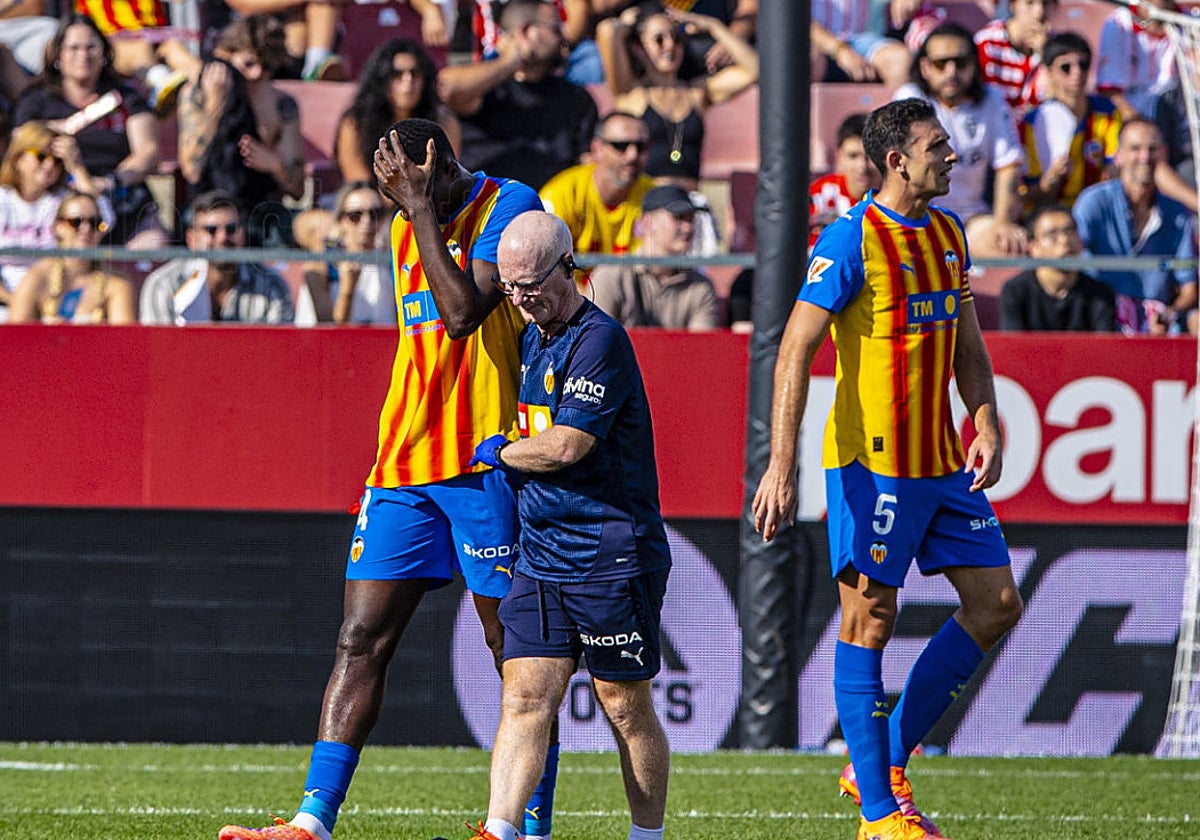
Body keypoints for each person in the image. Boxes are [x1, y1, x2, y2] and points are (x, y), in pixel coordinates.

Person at [216, 118, 560, 840]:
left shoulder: (510, 205)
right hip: (404, 463)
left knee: (515, 656)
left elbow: (464, 314)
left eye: (396, 172)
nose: (386, 186)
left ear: (431, 163)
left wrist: (422, 208)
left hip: (486, 460)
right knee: (359, 639)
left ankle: (527, 827)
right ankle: (313, 820)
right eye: (381, 175)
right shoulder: (408, 222)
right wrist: (416, 210)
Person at [752, 98, 1023, 840]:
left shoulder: (948, 232)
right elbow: (794, 350)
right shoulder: (849, 242)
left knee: (998, 602)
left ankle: (880, 757)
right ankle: (879, 814)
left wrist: (987, 420)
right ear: (897, 160)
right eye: (938, 147)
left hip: (940, 460)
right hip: (871, 468)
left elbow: (966, 341)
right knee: (870, 617)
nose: (953, 156)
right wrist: (781, 466)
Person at [467, 209, 671, 840]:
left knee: (623, 706)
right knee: (524, 697)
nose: (524, 301)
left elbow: (564, 447)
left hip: (610, 553)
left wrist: (496, 451)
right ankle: (499, 832)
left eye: (534, 285)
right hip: (541, 554)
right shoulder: (531, 333)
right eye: (511, 288)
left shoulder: (599, 339)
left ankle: (647, 835)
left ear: (569, 268)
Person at [13, 14, 169, 250]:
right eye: (74, 48)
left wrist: (109, 182)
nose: (83, 56)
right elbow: (20, 148)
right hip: (55, 205)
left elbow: (148, 152)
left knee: (153, 246)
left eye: (91, 47)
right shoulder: (36, 100)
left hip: (121, 199)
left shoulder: (125, 97)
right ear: (58, 55)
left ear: (105, 54)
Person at [894, 22, 1028, 259]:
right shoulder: (909, 100)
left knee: (1013, 249)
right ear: (925, 67)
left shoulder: (992, 100)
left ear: (975, 65)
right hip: (918, 217)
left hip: (971, 220)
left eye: (961, 62)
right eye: (940, 63)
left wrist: (1003, 223)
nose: (951, 72)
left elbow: (1008, 166)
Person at [596, 1, 758, 190]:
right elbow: (606, 30)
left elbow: (754, 70)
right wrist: (628, 22)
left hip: (691, 202)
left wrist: (715, 26)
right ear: (638, 48)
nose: (670, 46)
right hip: (647, 204)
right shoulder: (631, 93)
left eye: (675, 38)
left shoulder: (697, 93)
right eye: (659, 39)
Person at [439, 0, 598, 191]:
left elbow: (586, 161)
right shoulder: (487, 87)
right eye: (555, 29)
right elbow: (445, 89)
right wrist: (511, 61)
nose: (563, 38)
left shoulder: (576, 97)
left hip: (551, 210)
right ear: (526, 32)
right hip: (487, 207)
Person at [176, 15, 304, 247]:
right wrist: (214, 107)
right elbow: (191, 170)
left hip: (258, 210)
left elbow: (297, 190)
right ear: (227, 57)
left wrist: (274, 165)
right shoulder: (197, 94)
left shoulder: (281, 104)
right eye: (248, 64)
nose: (256, 74)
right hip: (209, 209)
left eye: (267, 67)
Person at [1072, 118, 1198, 335]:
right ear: (1118, 156)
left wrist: (1169, 313)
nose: (1145, 157)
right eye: (1135, 148)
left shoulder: (1177, 213)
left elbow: (1188, 288)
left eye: (1152, 149)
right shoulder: (1092, 202)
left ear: (1164, 154)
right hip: (1100, 316)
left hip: (1159, 322)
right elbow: (1071, 261)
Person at [0, 121, 111, 310]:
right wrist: (19, 303)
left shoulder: (63, 202)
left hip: (54, 303)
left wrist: (76, 167)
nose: (49, 165)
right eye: (41, 156)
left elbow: (106, 218)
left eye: (57, 160)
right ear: (18, 159)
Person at [140, 189, 294, 325]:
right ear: (191, 240)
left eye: (231, 228)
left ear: (243, 234)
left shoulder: (272, 285)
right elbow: (158, 351)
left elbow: (279, 352)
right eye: (211, 230)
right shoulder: (163, 285)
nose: (222, 237)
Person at [335, 38, 461, 189]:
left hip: (429, 204)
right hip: (373, 206)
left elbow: (448, 178)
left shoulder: (443, 121)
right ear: (381, 80)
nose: (408, 81)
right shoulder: (355, 123)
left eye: (415, 73)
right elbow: (359, 183)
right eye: (396, 74)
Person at [589, 184, 718, 330]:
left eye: (691, 219)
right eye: (678, 218)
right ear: (647, 222)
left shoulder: (700, 287)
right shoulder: (611, 276)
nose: (688, 227)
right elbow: (596, 342)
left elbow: (702, 348)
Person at [1019, 32, 1120, 210]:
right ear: (1049, 73)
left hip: (1097, 210)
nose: (1077, 73)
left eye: (1083, 64)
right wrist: (1051, 179)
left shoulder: (1108, 112)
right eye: (1066, 67)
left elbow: (1116, 168)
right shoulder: (1031, 124)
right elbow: (1026, 194)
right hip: (1049, 212)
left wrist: (1115, 171)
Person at [8, 190, 136, 324]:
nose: (86, 229)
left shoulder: (117, 284)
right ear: (57, 227)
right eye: (76, 222)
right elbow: (14, 337)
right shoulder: (37, 277)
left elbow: (124, 342)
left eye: (95, 223)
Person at [539, 111, 656, 255]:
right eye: (620, 146)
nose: (632, 155)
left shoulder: (654, 196)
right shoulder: (563, 194)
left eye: (641, 146)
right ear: (597, 148)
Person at [1000, 204, 1117, 331]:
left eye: (1071, 231)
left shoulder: (1101, 294)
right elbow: (1013, 346)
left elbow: (1104, 348)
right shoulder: (1015, 291)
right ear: (1033, 247)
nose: (1065, 240)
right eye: (1052, 235)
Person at [293, 180, 395, 325]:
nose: (366, 222)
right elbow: (331, 333)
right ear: (341, 220)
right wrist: (347, 290)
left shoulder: (392, 262)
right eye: (355, 216)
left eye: (375, 214)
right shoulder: (321, 265)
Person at [1096, 0, 1177, 120]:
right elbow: (1110, 90)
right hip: (1130, 117)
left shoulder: (1187, 23)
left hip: (1173, 112)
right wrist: (1140, 126)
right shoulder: (1118, 23)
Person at [973, 0, 1055, 117]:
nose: (1039, 12)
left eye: (1046, 3)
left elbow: (1054, 102)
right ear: (1013, 5)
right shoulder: (987, 43)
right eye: (1030, 3)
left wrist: (1044, 54)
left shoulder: (1055, 45)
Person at [809, 112, 878, 248]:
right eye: (853, 156)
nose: (862, 166)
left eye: (870, 157)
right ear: (839, 156)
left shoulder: (894, 199)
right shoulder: (819, 195)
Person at [807, 0, 913, 89]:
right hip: (816, 42)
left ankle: (892, 113)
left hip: (862, 39)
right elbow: (799, 20)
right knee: (807, 60)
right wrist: (840, 50)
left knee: (901, 61)